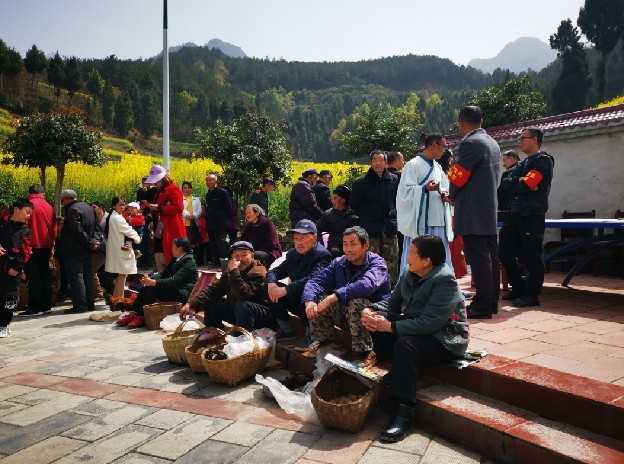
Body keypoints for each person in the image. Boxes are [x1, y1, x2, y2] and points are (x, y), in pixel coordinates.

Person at [362, 235, 468, 443]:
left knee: (405, 343)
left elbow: (430, 323)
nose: (407, 255)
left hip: (445, 338)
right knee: (376, 323)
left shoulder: (444, 280)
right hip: (418, 329)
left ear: (427, 260)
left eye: (411, 253)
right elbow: (391, 304)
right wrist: (371, 310)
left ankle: (404, 412)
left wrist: (391, 326)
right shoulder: (409, 273)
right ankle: (395, 375)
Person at [302, 226, 391, 364]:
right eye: (345, 244)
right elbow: (316, 281)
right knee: (320, 300)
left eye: (353, 244)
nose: (348, 249)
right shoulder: (339, 262)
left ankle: (364, 352)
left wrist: (334, 297)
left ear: (365, 245)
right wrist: (310, 300)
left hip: (374, 314)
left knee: (355, 302)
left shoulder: (377, 263)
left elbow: (366, 285)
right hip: (346, 314)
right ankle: (324, 342)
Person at [449, 106, 502, 319]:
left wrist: (450, 192)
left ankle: (481, 305)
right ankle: (491, 302)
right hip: (488, 208)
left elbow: (457, 177)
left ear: (461, 122)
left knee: (478, 259)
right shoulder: (493, 143)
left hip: (471, 209)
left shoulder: (469, 143)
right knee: (490, 258)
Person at [499, 128, 554, 307]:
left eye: (524, 138)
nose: (520, 141)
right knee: (505, 251)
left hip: (532, 214)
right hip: (514, 214)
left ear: (535, 139)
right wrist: (519, 181)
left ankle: (532, 294)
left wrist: (518, 182)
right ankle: (519, 287)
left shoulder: (543, 161)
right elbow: (505, 185)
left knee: (531, 254)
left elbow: (530, 183)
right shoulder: (523, 164)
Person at [181, 241, 272, 330]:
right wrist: (192, 304)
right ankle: (211, 331)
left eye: (244, 255)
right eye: (236, 256)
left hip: (257, 315)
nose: (240, 259)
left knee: (243, 305)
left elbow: (243, 295)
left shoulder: (259, 272)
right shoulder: (231, 272)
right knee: (212, 301)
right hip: (239, 313)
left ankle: (240, 339)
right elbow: (214, 290)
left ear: (252, 256)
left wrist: (234, 272)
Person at [396, 134, 454, 275]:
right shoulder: (413, 164)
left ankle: (443, 285)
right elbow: (404, 193)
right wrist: (424, 189)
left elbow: (444, 186)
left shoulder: (437, 166)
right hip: (420, 224)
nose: (445, 150)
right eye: (443, 146)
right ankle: (413, 286)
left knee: (440, 256)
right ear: (434, 145)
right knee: (418, 256)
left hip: (439, 220)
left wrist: (445, 194)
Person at [266, 219, 332, 336]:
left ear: (314, 238)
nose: (299, 243)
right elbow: (275, 271)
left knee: (313, 297)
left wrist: (285, 290)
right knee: (269, 288)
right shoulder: (293, 254)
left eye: (303, 238)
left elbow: (313, 279)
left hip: (313, 300)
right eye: (296, 239)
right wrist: (271, 284)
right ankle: (286, 330)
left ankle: (312, 335)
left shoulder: (323, 256)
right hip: (296, 296)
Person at [117, 237, 198, 328]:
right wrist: (149, 278)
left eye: (173, 247)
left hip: (183, 293)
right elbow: (164, 274)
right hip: (174, 289)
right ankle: (135, 313)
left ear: (179, 249)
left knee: (153, 288)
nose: (171, 249)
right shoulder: (176, 259)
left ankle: (140, 316)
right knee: (148, 286)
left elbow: (175, 280)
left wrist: (154, 282)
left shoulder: (189, 261)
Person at [351, 150, 400, 283]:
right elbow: (354, 206)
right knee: (371, 260)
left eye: (381, 160)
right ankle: (373, 286)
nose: (378, 163)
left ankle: (391, 287)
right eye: (375, 160)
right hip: (370, 228)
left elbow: (398, 202)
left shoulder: (394, 180)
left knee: (392, 260)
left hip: (389, 227)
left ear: (385, 163)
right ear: (371, 162)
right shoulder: (360, 183)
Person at [57, 190, 97, 314]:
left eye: (62, 201)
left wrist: (88, 242)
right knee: (87, 276)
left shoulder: (72, 210)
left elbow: (78, 231)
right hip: (86, 249)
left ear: (67, 199)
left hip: (74, 249)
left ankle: (80, 305)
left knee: (76, 277)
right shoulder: (88, 207)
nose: (62, 204)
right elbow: (93, 227)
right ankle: (90, 303)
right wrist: (91, 243)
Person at [0, 199, 33, 337]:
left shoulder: (26, 231)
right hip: (1, 265)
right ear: (17, 209)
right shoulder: (3, 226)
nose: (29, 216)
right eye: (27, 212)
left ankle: (4, 325)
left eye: (30, 213)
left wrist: (17, 268)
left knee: (10, 297)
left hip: (13, 269)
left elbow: (26, 252)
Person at [144, 165, 186, 266]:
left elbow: (178, 208)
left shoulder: (173, 189)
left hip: (172, 227)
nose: (155, 183)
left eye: (157, 181)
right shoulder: (160, 191)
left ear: (164, 179)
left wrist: (159, 208)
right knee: (162, 255)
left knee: (173, 255)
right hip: (161, 228)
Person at [23, 185, 54, 315]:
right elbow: (54, 228)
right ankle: (46, 305)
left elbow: (23, 227)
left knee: (34, 277)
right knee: (45, 275)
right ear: (42, 193)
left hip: (32, 246)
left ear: (30, 193)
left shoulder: (27, 206)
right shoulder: (49, 206)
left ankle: (34, 306)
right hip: (46, 246)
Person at [105, 197, 141, 302]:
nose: (122, 207)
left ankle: (116, 300)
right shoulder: (117, 218)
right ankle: (117, 300)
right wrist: (138, 238)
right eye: (120, 205)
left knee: (122, 275)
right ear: (114, 206)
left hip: (119, 248)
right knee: (122, 274)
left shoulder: (115, 216)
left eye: (123, 204)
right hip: (121, 250)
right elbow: (128, 230)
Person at [317, 185, 359, 257]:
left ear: (343, 200)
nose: (331, 200)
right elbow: (319, 231)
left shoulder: (353, 217)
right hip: (331, 250)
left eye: (335, 198)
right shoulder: (327, 214)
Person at [204, 173, 232, 264]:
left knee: (221, 244)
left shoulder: (223, 192)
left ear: (216, 181)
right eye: (207, 180)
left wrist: (227, 222)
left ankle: (224, 264)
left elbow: (229, 208)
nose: (208, 182)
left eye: (210, 180)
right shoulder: (208, 194)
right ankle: (215, 263)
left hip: (221, 224)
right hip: (210, 224)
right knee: (213, 244)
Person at [497, 150, 521, 224]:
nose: (503, 164)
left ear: (512, 159)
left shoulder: (521, 170)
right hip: (503, 210)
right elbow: (500, 191)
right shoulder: (505, 174)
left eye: (504, 160)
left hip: (514, 211)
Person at [181, 181, 202, 247]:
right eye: (185, 188)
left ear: (191, 189)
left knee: (194, 243)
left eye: (189, 188)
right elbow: (181, 208)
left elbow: (200, 209)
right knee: (185, 242)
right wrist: (188, 215)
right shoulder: (180, 199)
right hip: (184, 224)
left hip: (194, 223)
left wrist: (195, 215)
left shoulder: (196, 199)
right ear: (182, 189)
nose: (187, 189)